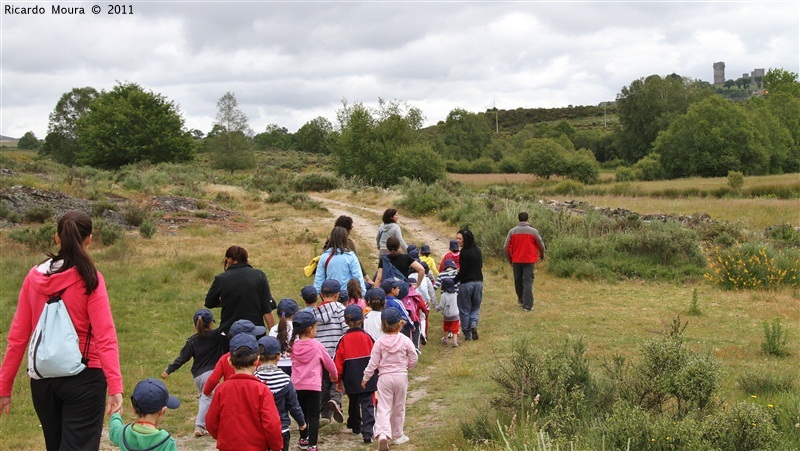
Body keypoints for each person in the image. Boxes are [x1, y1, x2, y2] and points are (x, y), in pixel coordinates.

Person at [0, 210, 123, 450]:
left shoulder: (33, 278)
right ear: (89, 238)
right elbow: (105, 336)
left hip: (43, 379)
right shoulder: (90, 278)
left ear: (58, 238)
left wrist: (5, 385)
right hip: (86, 376)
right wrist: (115, 386)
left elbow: (17, 337)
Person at [205, 333, 283, 451]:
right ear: (257, 361)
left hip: (228, 447)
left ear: (230, 361)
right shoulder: (262, 390)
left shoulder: (221, 389)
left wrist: (223, 437)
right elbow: (272, 423)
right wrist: (276, 446)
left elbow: (211, 422)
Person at [361, 307, 418, 451]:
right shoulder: (405, 340)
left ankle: (382, 434)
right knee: (399, 406)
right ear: (400, 324)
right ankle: (398, 435)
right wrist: (407, 367)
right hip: (400, 376)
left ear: (383, 325)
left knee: (383, 407)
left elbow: (373, 362)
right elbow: (414, 357)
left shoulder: (379, 342)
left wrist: (365, 377)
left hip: (384, 378)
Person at [161, 308, 224, 437]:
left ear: (195, 325)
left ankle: (210, 423)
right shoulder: (217, 336)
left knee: (206, 398)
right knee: (207, 398)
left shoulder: (192, 341)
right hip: (211, 374)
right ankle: (199, 426)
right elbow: (227, 324)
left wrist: (168, 370)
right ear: (211, 323)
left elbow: (182, 358)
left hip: (198, 376)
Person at [290, 310, 339, 451]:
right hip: (313, 386)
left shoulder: (293, 346)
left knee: (302, 413)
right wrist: (334, 376)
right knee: (313, 416)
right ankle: (313, 444)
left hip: (297, 386)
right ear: (310, 329)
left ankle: (303, 438)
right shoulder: (317, 346)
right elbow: (329, 363)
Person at [205, 245, 275, 334]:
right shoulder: (259, 276)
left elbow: (209, 302)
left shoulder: (221, 279)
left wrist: (226, 302)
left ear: (227, 260)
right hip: (255, 331)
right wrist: (273, 335)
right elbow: (267, 309)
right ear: (247, 260)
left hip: (229, 332)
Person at [334, 305, 378, 444]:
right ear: (362, 320)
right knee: (367, 403)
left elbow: (338, 362)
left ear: (346, 322)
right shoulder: (368, 337)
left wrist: (337, 379)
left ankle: (354, 424)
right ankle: (367, 431)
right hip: (368, 376)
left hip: (350, 376)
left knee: (353, 401)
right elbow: (376, 356)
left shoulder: (343, 339)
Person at [255, 336, 306, 451]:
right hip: (281, 428)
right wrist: (301, 422)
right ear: (279, 356)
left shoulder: (254, 379)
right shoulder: (285, 379)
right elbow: (293, 405)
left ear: (258, 358)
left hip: (259, 429)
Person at [109, 378, 180, 451]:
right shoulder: (167, 442)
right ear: (163, 411)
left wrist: (115, 415)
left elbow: (114, 429)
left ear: (133, 409)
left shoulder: (123, 433)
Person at [313, 279, 348, 425]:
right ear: (338, 295)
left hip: (320, 355)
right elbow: (346, 330)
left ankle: (325, 414)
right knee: (338, 380)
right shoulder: (341, 309)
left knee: (324, 384)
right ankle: (335, 401)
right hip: (336, 353)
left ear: (321, 294)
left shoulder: (315, 312)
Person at [202, 319, 266, 397]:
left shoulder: (225, 358)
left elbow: (213, 379)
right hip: (253, 395)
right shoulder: (256, 358)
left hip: (231, 395)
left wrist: (207, 392)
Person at [504, 212, 546, 312]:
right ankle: (527, 305)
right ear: (528, 219)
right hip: (529, 260)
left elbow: (505, 247)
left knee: (518, 280)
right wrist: (542, 254)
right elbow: (541, 244)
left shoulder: (512, 231)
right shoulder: (533, 231)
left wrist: (510, 259)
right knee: (528, 282)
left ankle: (521, 299)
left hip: (517, 260)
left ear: (518, 219)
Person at [313, 226, 366, 296]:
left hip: (330, 296)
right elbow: (358, 277)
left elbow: (319, 280)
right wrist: (363, 294)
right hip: (347, 296)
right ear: (345, 239)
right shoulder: (350, 256)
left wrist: (314, 296)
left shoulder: (324, 257)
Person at [454, 229, 483, 341]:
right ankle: (473, 324)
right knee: (475, 306)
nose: (457, 241)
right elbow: (480, 265)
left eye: (459, 238)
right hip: (478, 282)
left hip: (466, 284)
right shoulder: (478, 250)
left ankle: (467, 334)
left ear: (465, 239)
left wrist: (453, 281)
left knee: (464, 309)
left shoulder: (464, 253)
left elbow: (462, 272)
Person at [334, 215, 374, 287]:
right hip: (346, 282)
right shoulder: (348, 243)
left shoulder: (329, 243)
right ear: (348, 229)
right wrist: (367, 278)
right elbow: (357, 262)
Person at [269, 298, 299, 376]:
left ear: (278, 315)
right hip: (296, 366)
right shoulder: (299, 328)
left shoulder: (273, 329)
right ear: (295, 314)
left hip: (278, 366)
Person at [436, 277, 460, 347]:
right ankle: (455, 341)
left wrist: (437, 308)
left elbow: (441, 306)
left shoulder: (443, 295)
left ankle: (446, 339)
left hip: (447, 315)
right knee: (455, 328)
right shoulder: (455, 294)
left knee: (446, 327)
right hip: (455, 314)